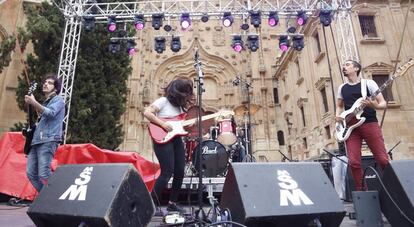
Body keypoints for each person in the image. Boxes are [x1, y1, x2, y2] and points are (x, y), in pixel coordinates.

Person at [335, 60, 389, 191]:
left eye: (347, 65)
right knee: (353, 162)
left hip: (369, 123)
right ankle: (362, 192)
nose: (344, 67)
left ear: (356, 68)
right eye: (343, 66)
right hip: (350, 128)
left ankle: (393, 186)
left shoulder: (369, 83)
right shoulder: (342, 88)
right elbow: (339, 105)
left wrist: (373, 104)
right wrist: (338, 117)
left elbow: (383, 104)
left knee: (382, 159)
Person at [143, 77, 194, 213]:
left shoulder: (181, 108)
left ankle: (173, 202)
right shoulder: (163, 101)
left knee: (180, 171)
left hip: (176, 138)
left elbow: (181, 125)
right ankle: (149, 203)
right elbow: (147, 112)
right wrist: (163, 124)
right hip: (162, 138)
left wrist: (191, 125)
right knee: (167, 172)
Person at [24, 74, 65, 192]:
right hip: (36, 141)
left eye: (50, 83)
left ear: (56, 88)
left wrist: (34, 102)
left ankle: (59, 196)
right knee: (31, 173)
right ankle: (45, 199)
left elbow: (51, 113)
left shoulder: (58, 100)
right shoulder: (45, 103)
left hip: (48, 140)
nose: (45, 84)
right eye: (45, 82)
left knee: (44, 173)